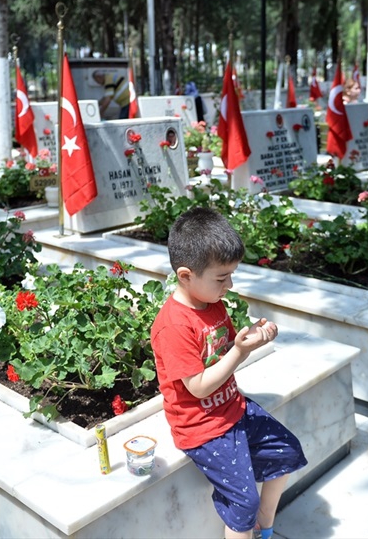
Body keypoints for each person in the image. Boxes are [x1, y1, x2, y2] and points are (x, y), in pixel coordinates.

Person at [150, 207, 308, 539]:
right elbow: (198, 388)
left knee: (288, 451)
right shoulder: (174, 325)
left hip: (233, 408)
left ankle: (266, 518)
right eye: (222, 278)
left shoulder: (212, 302)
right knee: (243, 501)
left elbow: (224, 352)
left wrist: (252, 338)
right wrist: (240, 351)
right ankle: (251, 523)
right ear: (185, 275)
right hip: (203, 427)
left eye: (231, 275)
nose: (230, 284)